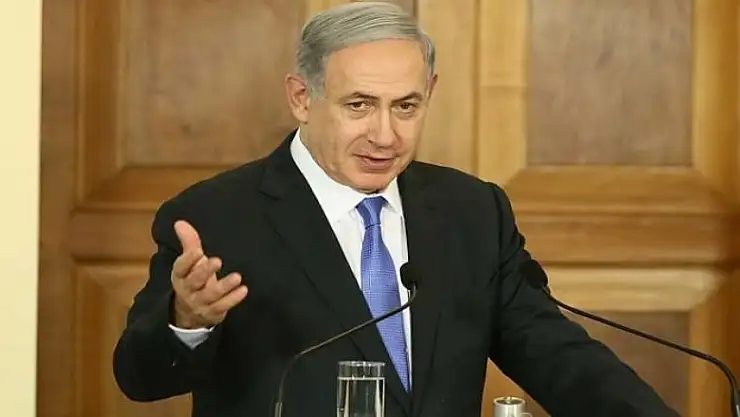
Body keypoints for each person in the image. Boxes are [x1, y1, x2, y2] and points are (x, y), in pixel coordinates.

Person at [112, 2, 680, 417]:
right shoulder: (216, 217)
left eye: (406, 106)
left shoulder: (471, 212)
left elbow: (555, 353)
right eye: (359, 105)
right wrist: (188, 322)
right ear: (302, 98)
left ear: (430, 92)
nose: (385, 135)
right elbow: (139, 377)